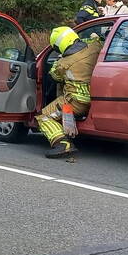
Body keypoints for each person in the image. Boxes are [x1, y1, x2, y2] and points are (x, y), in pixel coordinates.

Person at [35, 26, 102, 159]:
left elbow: (55, 77)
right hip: (97, 97)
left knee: (43, 117)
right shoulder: (95, 46)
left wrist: (58, 59)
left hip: (76, 102)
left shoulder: (63, 63)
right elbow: (96, 39)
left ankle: (62, 143)